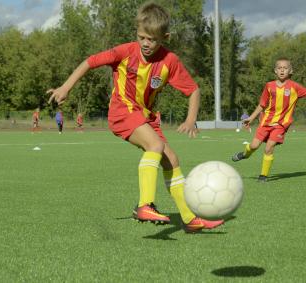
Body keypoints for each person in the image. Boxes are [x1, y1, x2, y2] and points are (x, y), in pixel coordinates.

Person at [47, 2, 223, 233]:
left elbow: (193, 90)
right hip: (122, 110)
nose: (146, 44)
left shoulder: (169, 61)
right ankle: (145, 205)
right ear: (136, 33)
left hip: (145, 117)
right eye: (142, 37)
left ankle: (190, 219)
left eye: (152, 39)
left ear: (165, 37)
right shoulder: (125, 52)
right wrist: (65, 87)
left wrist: (191, 120)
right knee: (156, 145)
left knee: (172, 159)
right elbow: (90, 62)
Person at [231, 57, 306, 182]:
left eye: (285, 68)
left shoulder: (295, 87)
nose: (282, 70)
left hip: (281, 124)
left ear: (291, 71)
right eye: (279, 68)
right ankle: (245, 155)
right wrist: (251, 118)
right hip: (266, 122)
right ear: (275, 70)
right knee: (253, 146)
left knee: (269, 147)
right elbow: (262, 105)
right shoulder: (269, 86)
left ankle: (263, 176)